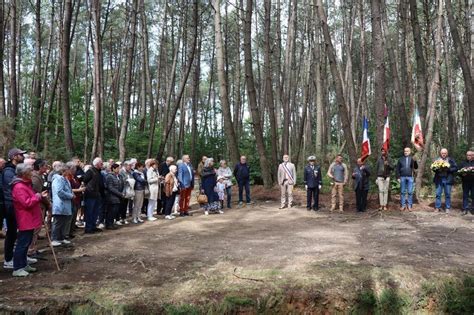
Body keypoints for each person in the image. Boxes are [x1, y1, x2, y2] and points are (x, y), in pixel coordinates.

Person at [11, 163, 48, 277]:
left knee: (27, 243)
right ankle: (17, 268)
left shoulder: (26, 185)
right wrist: (37, 197)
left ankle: (23, 264)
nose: (32, 173)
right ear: (24, 173)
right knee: (22, 243)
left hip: (31, 218)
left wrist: (39, 195)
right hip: (25, 218)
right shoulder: (19, 187)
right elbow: (26, 203)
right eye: (30, 171)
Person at [2, 148, 26, 270]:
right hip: (10, 205)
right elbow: (12, 186)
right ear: (14, 157)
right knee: (11, 233)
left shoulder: (14, 170)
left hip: (16, 204)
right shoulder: (8, 171)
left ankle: (20, 257)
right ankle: (8, 259)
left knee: (16, 232)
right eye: (20, 154)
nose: (23, 156)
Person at [29, 159, 51, 256]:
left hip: (41, 204)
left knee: (37, 229)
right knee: (35, 229)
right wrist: (47, 203)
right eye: (45, 166)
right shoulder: (35, 177)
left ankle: (33, 248)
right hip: (37, 205)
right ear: (40, 167)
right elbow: (37, 194)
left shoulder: (39, 176)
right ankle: (31, 250)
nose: (46, 168)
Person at [51, 163, 75, 247]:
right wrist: (71, 196)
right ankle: (54, 238)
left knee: (64, 221)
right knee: (58, 222)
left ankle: (61, 237)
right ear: (63, 171)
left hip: (66, 204)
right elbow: (59, 191)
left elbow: (69, 189)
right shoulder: (58, 179)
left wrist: (71, 194)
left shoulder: (65, 179)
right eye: (67, 170)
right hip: (60, 204)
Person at [83, 157, 105, 234]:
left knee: (95, 212)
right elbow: (84, 180)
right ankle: (88, 228)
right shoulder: (90, 171)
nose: (102, 164)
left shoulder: (99, 172)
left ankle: (93, 226)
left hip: (97, 194)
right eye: (101, 163)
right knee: (90, 212)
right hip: (90, 195)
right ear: (97, 164)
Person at [432, 148, 458, 213]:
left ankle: (447, 208)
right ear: (440, 153)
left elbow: (455, 168)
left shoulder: (451, 160)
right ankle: (437, 207)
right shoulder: (437, 160)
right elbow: (433, 168)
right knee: (438, 194)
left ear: (447, 153)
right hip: (439, 179)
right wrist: (437, 168)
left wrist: (448, 169)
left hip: (448, 179)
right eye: (442, 153)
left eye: (445, 153)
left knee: (448, 194)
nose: (443, 154)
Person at [105, 163, 124, 229]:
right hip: (112, 196)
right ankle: (108, 224)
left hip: (119, 196)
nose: (119, 169)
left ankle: (111, 223)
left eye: (119, 168)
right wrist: (120, 194)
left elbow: (122, 185)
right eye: (117, 168)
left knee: (115, 211)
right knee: (111, 211)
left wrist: (122, 193)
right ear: (113, 169)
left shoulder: (120, 176)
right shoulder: (109, 176)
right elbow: (110, 187)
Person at [458, 151, 474, 215]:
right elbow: (458, 171)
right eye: (467, 155)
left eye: (470, 155)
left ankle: (473, 209)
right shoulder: (463, 163)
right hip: (465, 182)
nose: (468, 156)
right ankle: (465, 209)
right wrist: (462, 174)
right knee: (465, 195)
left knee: (473, 195)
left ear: (473, 155)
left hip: (473, 182)